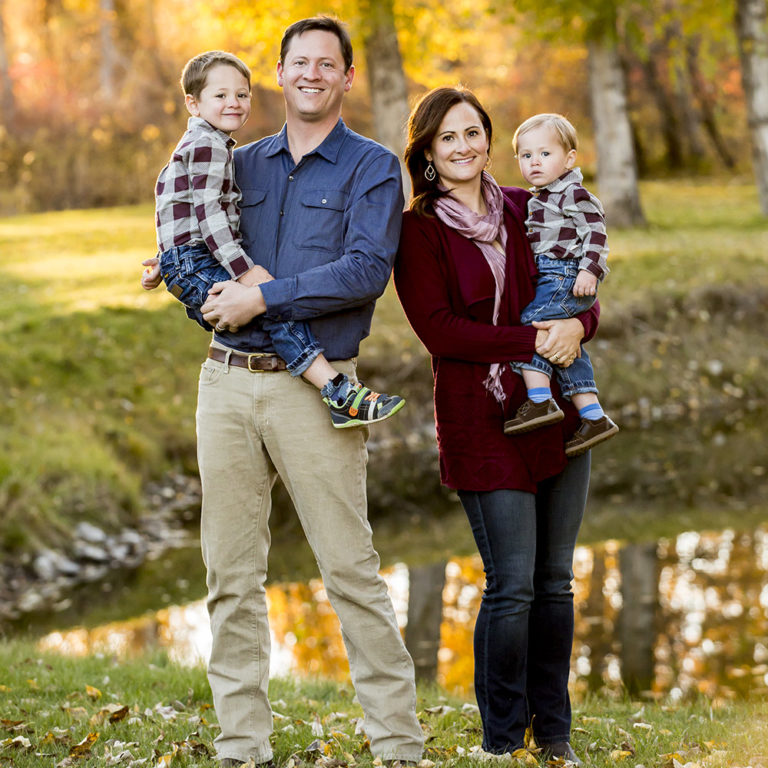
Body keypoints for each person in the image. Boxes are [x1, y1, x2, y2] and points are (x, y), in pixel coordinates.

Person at [142, 17, 423, 767]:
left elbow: (365, 271)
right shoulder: (243, 159)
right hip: (226, 383)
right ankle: (242, 749)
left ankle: (397, 746)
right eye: (298, 62)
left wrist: (265, 298)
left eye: (326, 64)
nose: (311, 74)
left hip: (317, 388)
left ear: (346, 77)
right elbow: (201, 224)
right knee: (229, 577)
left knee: (350, 572)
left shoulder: (368, 166)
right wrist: (164, 259)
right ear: (279, 70)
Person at [395, 87, 599, 764]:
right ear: (427, 151)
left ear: (489, 138)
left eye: (473, 133)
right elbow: (439, 331)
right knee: (511, 583)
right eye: (447, 138)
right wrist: (533, 339)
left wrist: (575, 324)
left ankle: (557, 736)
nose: (464, 147)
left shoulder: (528, 205)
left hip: (556, 412)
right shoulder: (419, 231)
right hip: (482, 420)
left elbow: (574, 288)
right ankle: (501, 739)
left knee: (556, 581)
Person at [146, 49, 404, 429]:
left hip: (185, 258)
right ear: (193, 103)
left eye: (242, 94)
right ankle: (337, 391)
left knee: (262, 306)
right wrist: (245, 274)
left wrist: (164, 258)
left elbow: (176, 203)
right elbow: (210, 216)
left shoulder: (203, 144)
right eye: (220, 96)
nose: (234, 103)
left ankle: (335, 389)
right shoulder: (211, 147)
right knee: (271, 309)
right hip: (197, 268)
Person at [502, 113, 618, 455]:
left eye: (545, 154)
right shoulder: (541, 197)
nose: (534, 162)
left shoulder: (573, 194)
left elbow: (596, 233)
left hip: (566, 273)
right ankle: (594, 416)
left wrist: (590, 271)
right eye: (526, 156)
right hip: (555, 272)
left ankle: (540, 400)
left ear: (569, 158)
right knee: (568, 351)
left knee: (534, 326)